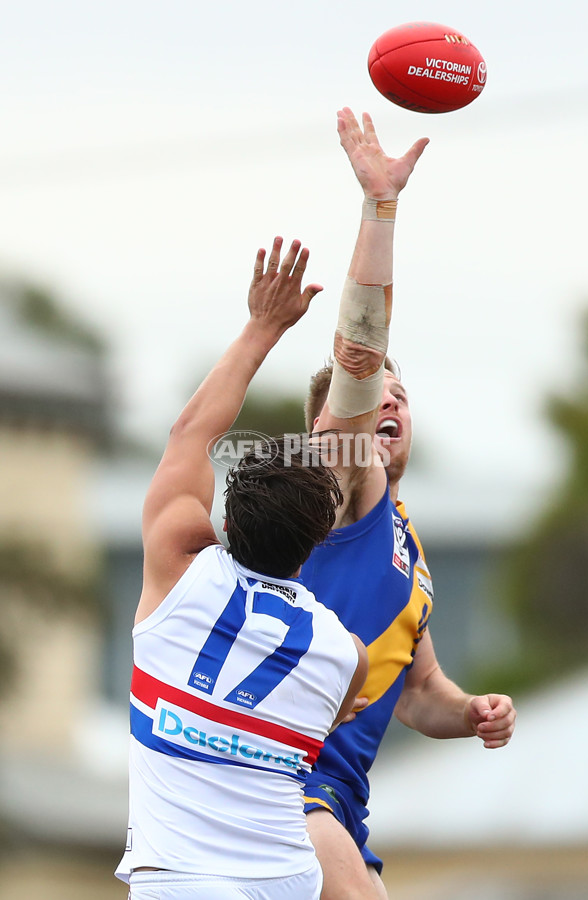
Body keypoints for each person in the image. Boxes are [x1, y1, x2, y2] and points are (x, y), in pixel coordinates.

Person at [300, 108, 517, 900]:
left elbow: (417, 692)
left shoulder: (407, 543)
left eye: (402, 392)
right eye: (371, 396)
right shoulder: (341, 485)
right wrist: (380, 208)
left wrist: (472, 712)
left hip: (345, 805)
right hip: (287, 783)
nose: (387, 398)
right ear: (333, 428)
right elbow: (358, 348)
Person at [115, 236, 368, 900]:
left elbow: (188, 436)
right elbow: (338, 710)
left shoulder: (177, 565)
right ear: (317, 545)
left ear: (222, 522)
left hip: (181, 884)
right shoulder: (345, 654)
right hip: (284, 882)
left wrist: (264, 326)